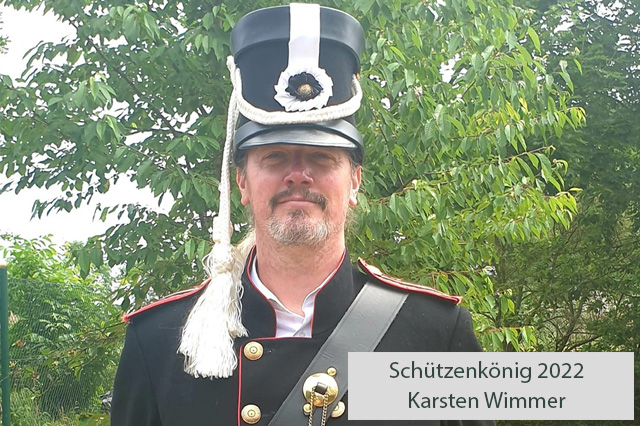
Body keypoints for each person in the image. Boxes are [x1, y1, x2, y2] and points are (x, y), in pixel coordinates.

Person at [111, 4, 494, 426]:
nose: (298, 175)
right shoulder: (159, 341)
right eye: (275, 157)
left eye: (322, 157)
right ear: (242, 182)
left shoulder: (434, 333)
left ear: (354, 182)